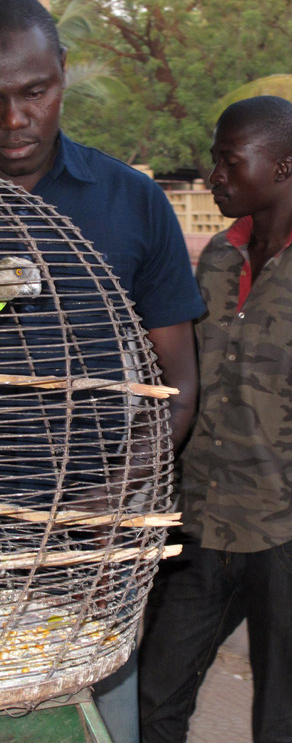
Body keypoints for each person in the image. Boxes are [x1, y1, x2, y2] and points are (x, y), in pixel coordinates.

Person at [0, 0, 204, 743]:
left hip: (87, 545)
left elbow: (177, 378)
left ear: (62, 72)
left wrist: (130, 489)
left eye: (35, 92)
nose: (15, 120)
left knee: (94, 727)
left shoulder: (131, 200)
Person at [139, 96, 292, 743]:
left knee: (280, 721)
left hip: (282, 536)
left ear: (284, 167)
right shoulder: (218, 258)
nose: (213, 175)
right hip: (202, 524)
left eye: (230, 160)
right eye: (213, 159)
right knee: (156, 697)